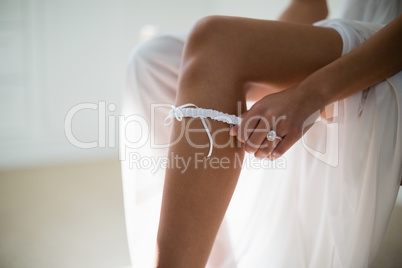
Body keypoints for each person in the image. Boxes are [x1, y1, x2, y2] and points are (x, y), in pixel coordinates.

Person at [120, 0, 402, 267]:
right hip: (343, 33)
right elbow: (309, 4)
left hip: (387, 49)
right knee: (151, 59)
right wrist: (255, 63)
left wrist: (308, 95)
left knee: (215, 39)